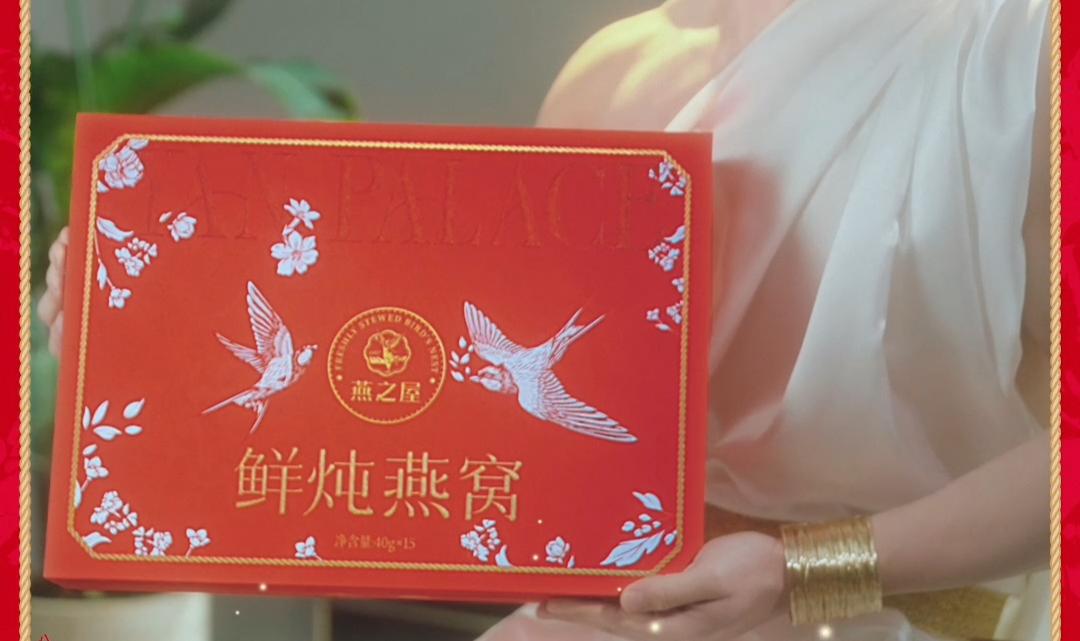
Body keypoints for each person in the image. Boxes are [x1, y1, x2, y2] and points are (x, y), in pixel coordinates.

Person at [39, 1, 1053, 639]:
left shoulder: (1019, 53)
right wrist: (128, 331)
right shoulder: (617, 70)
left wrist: (806, 573)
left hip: (904, 614)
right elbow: (438, 396)